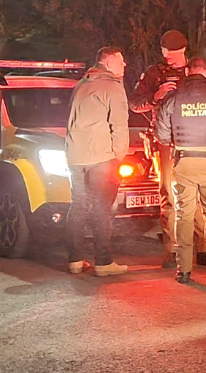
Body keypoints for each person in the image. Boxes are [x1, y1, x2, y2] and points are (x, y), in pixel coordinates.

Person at [129, 29, 206, 269]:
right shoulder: (154, 73)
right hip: (164, 142)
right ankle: (172, 250)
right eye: (164, 52)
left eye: (172, 52)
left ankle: (203, 248)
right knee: (170, 197)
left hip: (195, 140)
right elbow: (134, 104)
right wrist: (156, 97)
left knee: (197, 195)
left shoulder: (195, 70)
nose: (168, 57)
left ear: (183, 50)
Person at [156, 58, 206, 284]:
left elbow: (161, 134)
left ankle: (183, 270)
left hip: (184, 161)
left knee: (183, 214)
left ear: (187, 71)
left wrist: (176, 142)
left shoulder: (173, 98)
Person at [65, 46, 130, 277]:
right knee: (102, 208)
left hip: (75, 155)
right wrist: (118, 156)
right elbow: (120, 125)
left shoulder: (82, 84)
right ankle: (103, 262)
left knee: (79, 205)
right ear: (109, 62)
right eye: (121, 61)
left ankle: (74, 259)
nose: (125, 65)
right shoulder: (112, 87)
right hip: (100, 157)